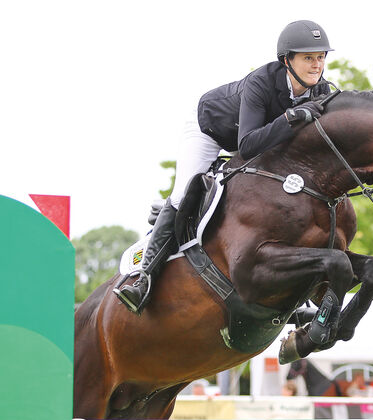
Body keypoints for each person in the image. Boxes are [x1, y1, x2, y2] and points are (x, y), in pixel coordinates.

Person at [113, 20, 334, 314]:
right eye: (308, 58)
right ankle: (144, 277)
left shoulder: (321, 90)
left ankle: (296, 299)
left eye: (320, 57)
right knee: (183, 194)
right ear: (287, 60)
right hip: (211, 130)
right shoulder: (261, 83)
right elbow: (248, 145)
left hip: (261, 140)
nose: (317, 65)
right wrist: (290, 119)